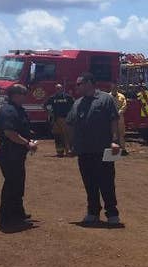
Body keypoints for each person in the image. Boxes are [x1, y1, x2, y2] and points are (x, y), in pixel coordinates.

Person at [67, 72, 122, 225]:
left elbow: (114, 120)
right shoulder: (77, 103)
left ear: (89, 83)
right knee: (89, 183)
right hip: (84, 151)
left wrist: (115, 140)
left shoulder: (106, 99)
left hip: (103, 150)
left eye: (79, 84)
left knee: (107, 183)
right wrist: (71, 146)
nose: (76, 87)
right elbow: (70, 123)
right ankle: (93, 212)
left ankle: (112, 213)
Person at [0, 84, 38, 230]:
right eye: (24, 94)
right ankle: (7, 219)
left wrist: (30, 137)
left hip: (16, 154)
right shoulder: (8, 111)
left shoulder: (18, 110)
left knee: (18, 185)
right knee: (12, 187)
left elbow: (22, 128)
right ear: (15, 95)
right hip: (10, 154)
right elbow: (10, 132)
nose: (26, 96)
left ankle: (18, 213)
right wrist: (27, 143)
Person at [43, 84, 74, 157]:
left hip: (66, 119)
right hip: (56, 119)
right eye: (57, 89)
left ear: (62, 89)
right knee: (58, 135)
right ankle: (59, 152)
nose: (58, 90)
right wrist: (49, 112)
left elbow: (74, 105)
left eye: (59, 88)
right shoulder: (52, 98)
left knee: (67, 135)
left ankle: (69, 151)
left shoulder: (68, 97)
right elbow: (44, 105)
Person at [110, 86, 128, 156]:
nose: (114, 89)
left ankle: (123, 149)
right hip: (111, 118)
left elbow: (124, 105)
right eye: (113, 88)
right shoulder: (108, 96)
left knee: (121, 134)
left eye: (115, 88)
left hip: (120, 117)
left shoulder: (121, 96)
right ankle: (112, 149)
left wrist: (119, 112)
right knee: (112, 133)